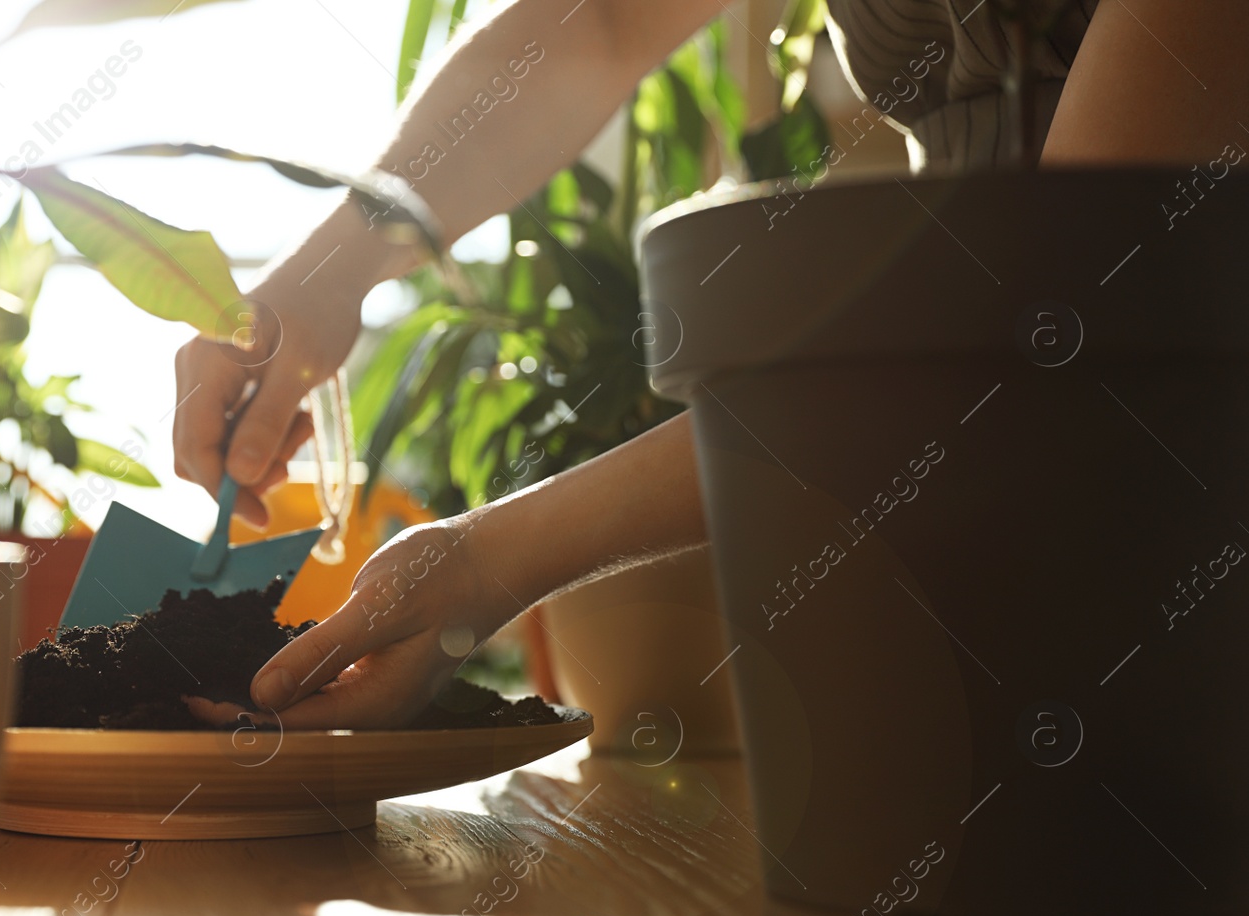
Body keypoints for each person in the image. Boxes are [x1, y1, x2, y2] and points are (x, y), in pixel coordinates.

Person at [173, 0, 1247, 728]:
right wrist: (327, 271)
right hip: (966, 566)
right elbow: (601, 22)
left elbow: (1064, 326)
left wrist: (492, 556)